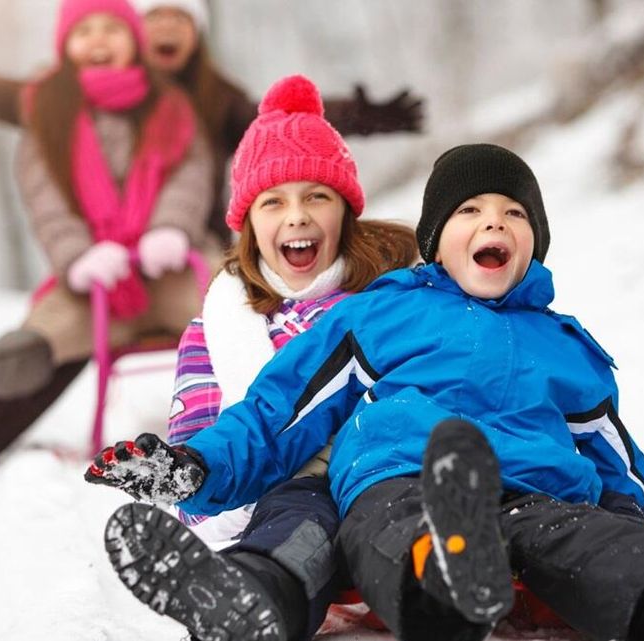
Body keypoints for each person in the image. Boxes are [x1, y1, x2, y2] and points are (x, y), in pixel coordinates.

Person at [90, 143, 644, 641]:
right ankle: (441, 580)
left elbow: (620, 468)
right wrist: (193, 466)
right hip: (404, 481)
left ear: (532, 241)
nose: (494, 222)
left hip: (541, 495)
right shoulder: (385, 313)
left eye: (514, 212)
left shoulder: (565, 347)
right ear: (437, 239)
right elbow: (279, 411)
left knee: (616, 549)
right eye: (472, 210)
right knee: (391, 529)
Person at [85, 74, 417, 641]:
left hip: (388, 469)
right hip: (286, 485)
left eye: (317, 195)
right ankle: (245, 600)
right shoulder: (218, 329)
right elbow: (205, 431)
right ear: (249, 224)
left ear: (345, 211)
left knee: (394, 520)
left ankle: (449, 583)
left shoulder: (393, 295)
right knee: (298, 529)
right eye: (273, 201)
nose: (297, 216)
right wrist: (182, 473)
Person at [0, 0, 218, 491]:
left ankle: (287, 402)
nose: (99, 40)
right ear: (65, 47)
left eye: (111, 29)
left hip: (171, 265)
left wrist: (171, 226)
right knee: (48, 329)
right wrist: (77, 255)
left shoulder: (169, 106)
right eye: (84, 32)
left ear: (134, 41)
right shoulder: (49, 114)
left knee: (233, 303)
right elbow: (46, 197)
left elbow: (191, 171)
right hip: (100, 279)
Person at [0, 0, 425, 247]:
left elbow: (274, 118)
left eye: (179, 19)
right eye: (154, 18)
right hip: (110, 239)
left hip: (193, 237)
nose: (165, 28)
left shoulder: (214, 98)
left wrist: (359, 115)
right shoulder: (102, 94)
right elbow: (27, 100)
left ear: (195, 35)